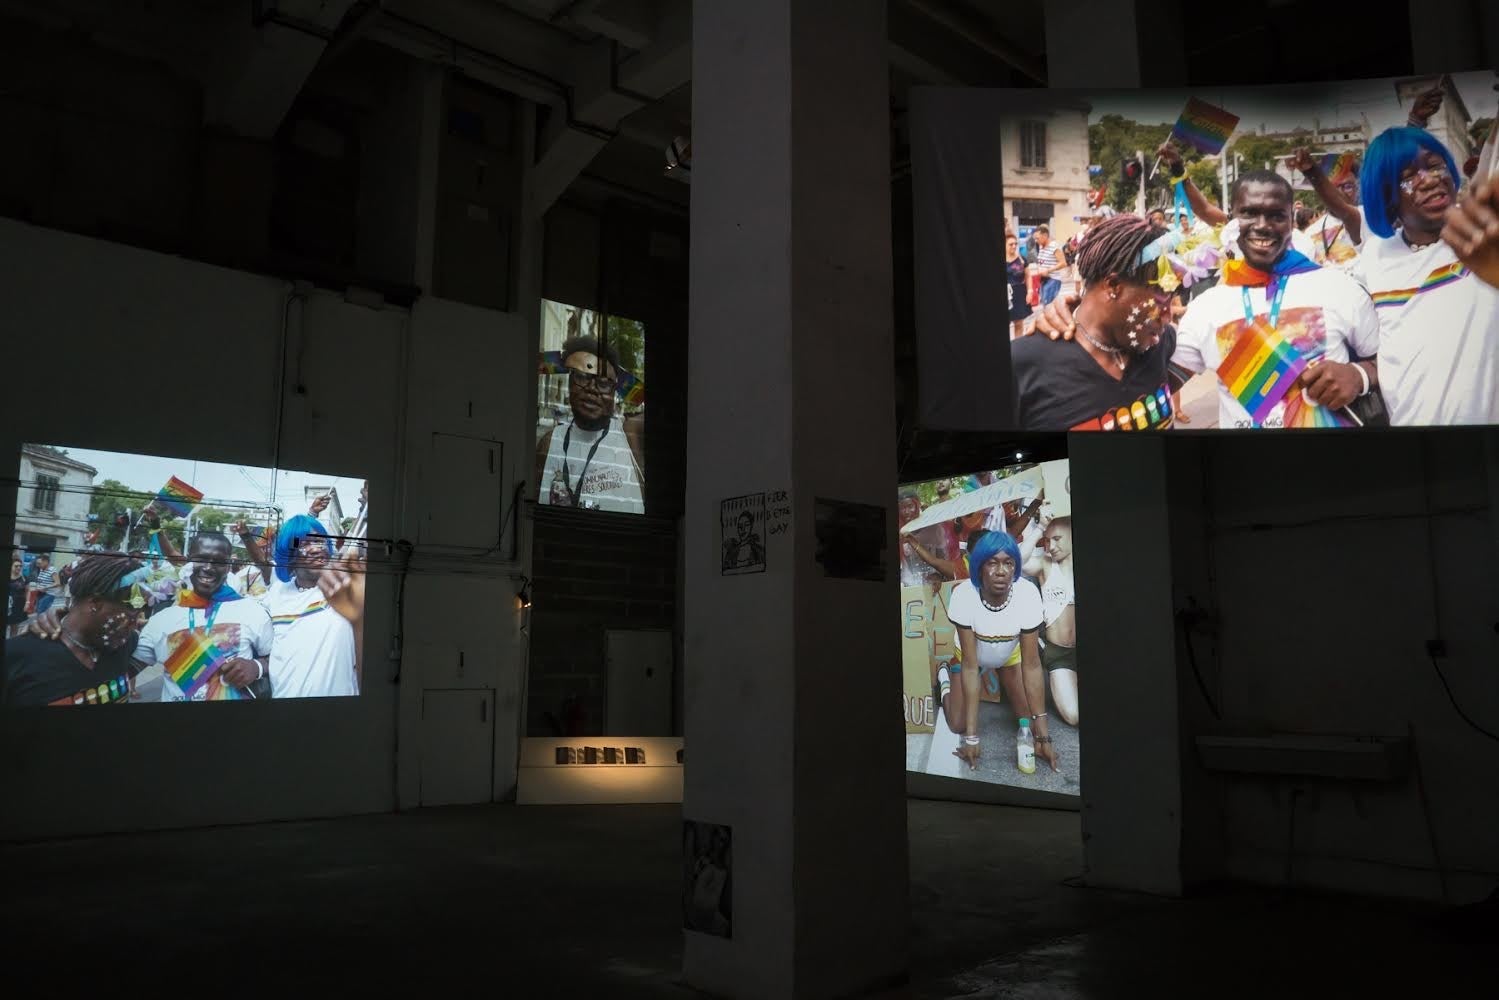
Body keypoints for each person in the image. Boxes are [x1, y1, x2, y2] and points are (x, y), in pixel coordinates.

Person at [1032, 173, 1381, 430]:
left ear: (1292, 219)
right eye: (1250, 214)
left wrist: (1359, 375)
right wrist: (1078, 318)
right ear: (1232, 218)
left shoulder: (1338, 287)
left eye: (1276, 215)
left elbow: (1393, 361)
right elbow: (1146, 376)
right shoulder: (1207, 308)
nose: (1263, 226)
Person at [1351, 130, 1499, 426]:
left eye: (1434, 165)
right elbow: (1380, 349)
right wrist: (1361, 374)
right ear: (1386, 197)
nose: (1430, 179)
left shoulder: (1484, 234)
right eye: (1408, 176)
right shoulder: (1373, 259)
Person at [1010, 213, 1181, 431]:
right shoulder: (1023, 366)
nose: (1167, 315)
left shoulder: (1158, 342)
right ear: (1113, 286)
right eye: (1159, 297)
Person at [937, 531, 1058, 774]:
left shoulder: (1027, 594)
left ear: (1015, 567)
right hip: (970, 657)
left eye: (1008, 563)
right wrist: (972, 738)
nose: (1001, 571)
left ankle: (1010, 693)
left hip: (1009, 657)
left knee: (1031, 725)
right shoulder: (963, 595)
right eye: (992, 563)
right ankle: (944, 678)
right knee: (958, 724)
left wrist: (1044, 738)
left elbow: (1032, 665)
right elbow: (972, 667)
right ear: (979, 567)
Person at [129, 528, 272, 702]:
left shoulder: (252, 611)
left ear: (228, 567)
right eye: (201, 559)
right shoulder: (162, 620)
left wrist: (256, 667)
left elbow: (276, 659)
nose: (208, 568)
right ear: (188, 563)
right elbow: (127, 669)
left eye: (218, 562)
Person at [2, 555, 144, 707]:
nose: (136, 620)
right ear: (95, 603)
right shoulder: (16, 656)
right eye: (131, 609)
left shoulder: (126, 643)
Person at [534, 335, 646, 514]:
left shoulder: (629, 434)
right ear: (570, 382)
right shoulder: (549, 443)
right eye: (583, 377)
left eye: (603, 383)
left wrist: (616, 374)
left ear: (614, 390)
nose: (592, 389)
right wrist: (564, 359)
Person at [260, 514, 360, 698]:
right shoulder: (275, 596)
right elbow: (264, 649)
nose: (315, 549)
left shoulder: (344, 587)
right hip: (285, 712)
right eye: (304, 544)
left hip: (342, 713)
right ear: (289, 554)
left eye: (320, 542)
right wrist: (256, 667)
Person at [1025, 517, 1078, 727]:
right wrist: (1039, 529)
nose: (1051, 546)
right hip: (1060, 654)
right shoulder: (1045, 564)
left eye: (1057, 539)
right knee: (1074, 716)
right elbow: (1017, 560)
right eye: (1047, 540)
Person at [1032, 226, 1068, 306]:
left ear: (1045, 235)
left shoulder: (1054, 246)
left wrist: (1048, 270)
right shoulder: (1041, 246)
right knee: (1045, 304)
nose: (1036, 241)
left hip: (1053, 280)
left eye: (1037, 238)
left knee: (1048, 305)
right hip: (1043, 279)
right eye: (1035, 238)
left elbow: (1063, 263)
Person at [1005, 233, 1030, 339]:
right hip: (1006, 293)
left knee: (1019, 323)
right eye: (1011, 244)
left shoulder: (1022, 259)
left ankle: (1017, 347)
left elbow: (1028, 276)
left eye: (1016, 244)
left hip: (1019, 292)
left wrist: (1030, 291)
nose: (1014, 246)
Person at [7, 553, 29, 638]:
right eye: (16, 566)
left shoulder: (24, 578)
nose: (19, 568)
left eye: (20, 566)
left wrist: (27, 603)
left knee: (14, 626)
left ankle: (10, 644)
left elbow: (28, 591)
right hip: (7, 605)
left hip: (18, 606)